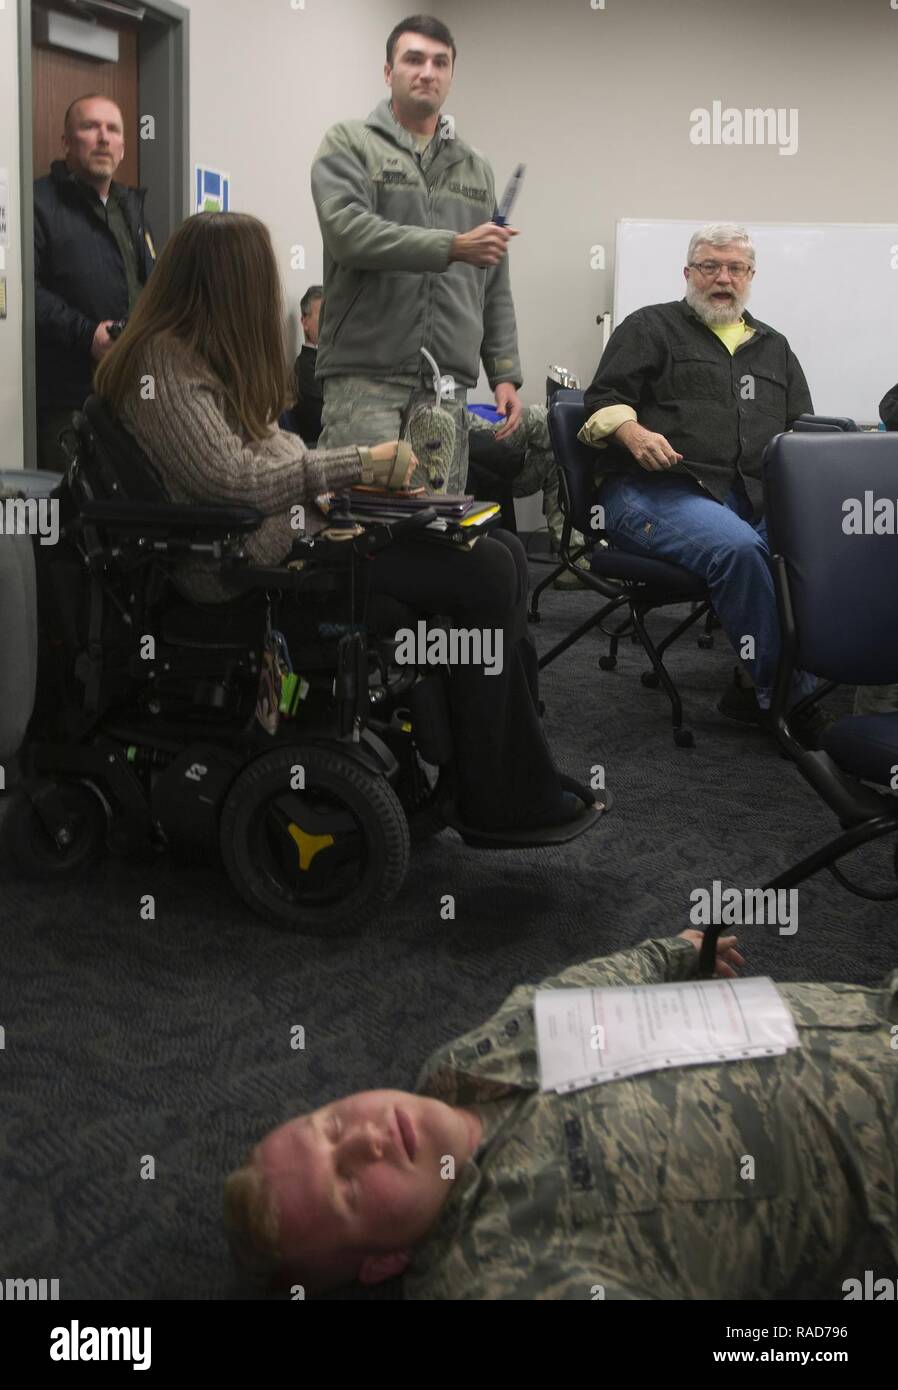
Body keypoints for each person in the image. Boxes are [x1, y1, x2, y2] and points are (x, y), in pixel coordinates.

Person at [93, 211, 598, 837]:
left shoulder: (195, 355)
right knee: (489, 568)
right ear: (231, 281)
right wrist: (355, 463)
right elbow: (229, 481)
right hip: (243, 567)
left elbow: (270, 454)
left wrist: (344, 480)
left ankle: (516, 772)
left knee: (501, 549)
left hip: (284, 537)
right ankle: (501, 794)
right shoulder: (163, 366)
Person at [224, 929, 898, 1300]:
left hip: (868, 1010)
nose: (368, 1140)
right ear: (382, 1262)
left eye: (334, 1126)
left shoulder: (457, 1068)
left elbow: (569, 995)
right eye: (346, 1188)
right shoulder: (492, 1273)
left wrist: (672, 952)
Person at [580, 223, 820, 738]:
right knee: (737, 550)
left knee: (820, 543)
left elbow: (803, 428)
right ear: (689, 273)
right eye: (710, 266)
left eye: (735, 268)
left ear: (750, 277)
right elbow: (601, 400)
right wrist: (632, 430)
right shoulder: (651, 327)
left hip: (750, 497)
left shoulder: (774, 347)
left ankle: (768, 681)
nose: (723, 278)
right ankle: (789, 704)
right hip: (655, 492)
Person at [311, 14, 523, 495]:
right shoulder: (349, 144)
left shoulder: (476, 166)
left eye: (440, 62)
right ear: (388, 72)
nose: (427, 71)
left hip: (446, 386)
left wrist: (505, 371)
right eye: (413, 59)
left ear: (450, 76)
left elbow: (494, 277)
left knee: (437, 528)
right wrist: (452, 246)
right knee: (358, 522)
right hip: (366, 378)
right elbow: (348, 233)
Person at [34, 94, 156, 472]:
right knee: (71, 519)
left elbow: (152, 291)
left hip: (133, 397)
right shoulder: (36, 203)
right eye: (90, 127)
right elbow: (24, 293)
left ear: (122, 148)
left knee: (128, 517)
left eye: (113, 129)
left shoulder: (131, 209)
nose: (103, 137)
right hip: (68, 403)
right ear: (67, 142)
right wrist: (87, 334)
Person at [285, 285, 324, 445]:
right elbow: (324, 420)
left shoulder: (333, 361)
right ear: (305, 322)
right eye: (323, 315)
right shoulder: (305, 369)